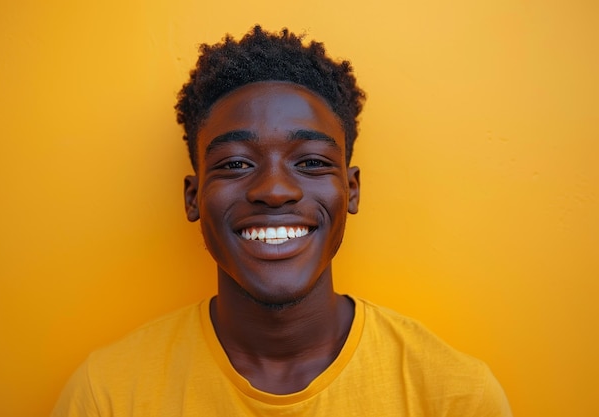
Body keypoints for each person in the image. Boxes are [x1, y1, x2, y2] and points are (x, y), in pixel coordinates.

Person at [52, 25, 513, 416]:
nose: (274, 190)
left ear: (350, 190)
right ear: (194, 198)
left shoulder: (453, 397)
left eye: (311, 162)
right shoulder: (107, 395)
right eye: (235, 164)